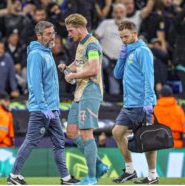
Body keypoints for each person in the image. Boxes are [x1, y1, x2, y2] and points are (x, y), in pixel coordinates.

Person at [7, 21, 79, 185]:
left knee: (59, 143)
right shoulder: (36, 55)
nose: (52, 36)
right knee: (31, 141)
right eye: (48, 34)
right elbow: (34, 83)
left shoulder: (47, 53)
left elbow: (49, 83)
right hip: (42, 108)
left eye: (53, 33)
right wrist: (43, 106)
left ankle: (66, 178)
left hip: (52, 108)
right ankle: (13, 175)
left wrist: (53, 107)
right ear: (39, 36)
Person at [58, 13, 108, 185]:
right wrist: (67, 67)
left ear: (79, 28)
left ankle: (92, 177)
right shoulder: (82, 44)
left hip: (90, 92)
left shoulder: (92, 45)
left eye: (71, 31)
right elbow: (79, 63)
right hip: (80, 93)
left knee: (86, 133)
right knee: (71, 132)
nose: (69, 34)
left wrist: (73, 75)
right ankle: (99, 165)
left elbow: (93, 69)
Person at [111, 20, 158, 184]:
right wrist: (121, 56)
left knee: (148, 140)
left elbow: (148, 77)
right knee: (117, 132)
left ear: (134, 34)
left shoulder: (143, 51)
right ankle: (130, 170)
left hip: (142, 104)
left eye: (126, 36)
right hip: (129, 104)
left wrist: (148, 102)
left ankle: (152, 175)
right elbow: (117, 74)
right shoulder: (128, 51)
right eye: (121, 37)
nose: (123, 40)